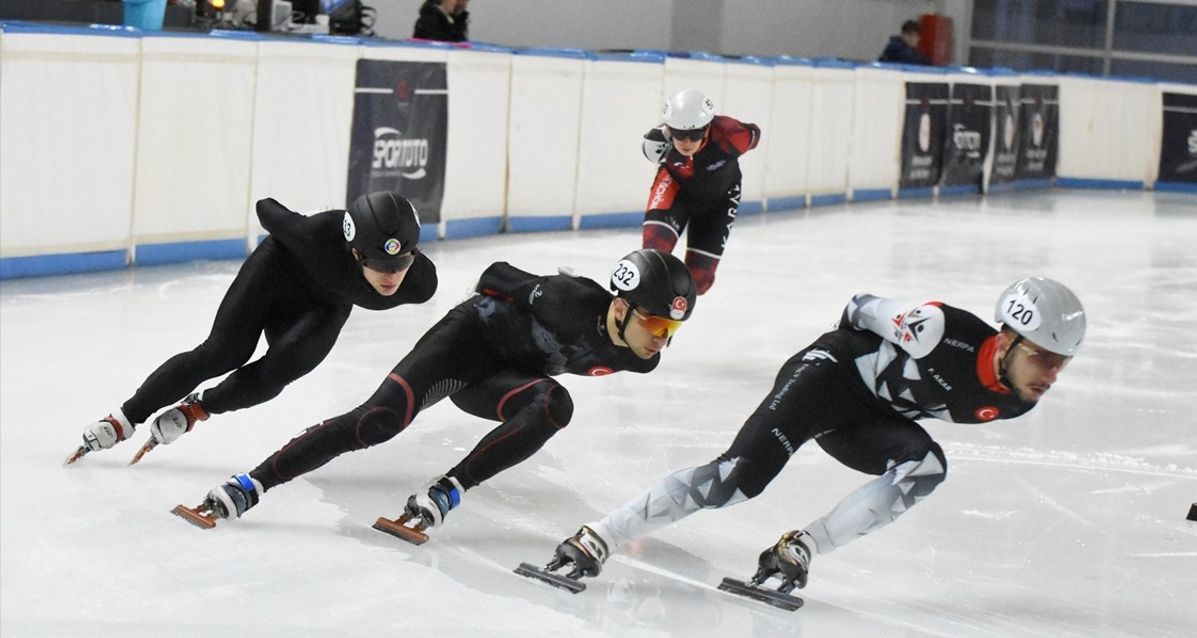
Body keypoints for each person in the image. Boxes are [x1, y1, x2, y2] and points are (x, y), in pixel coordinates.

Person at [539, 277, 1087, 600]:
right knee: (735, 481)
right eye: (1042, 356)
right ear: (1008, 340)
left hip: (864, 419)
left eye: (1060, 363)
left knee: (926, 466)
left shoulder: (1018, 399)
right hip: (828, 377)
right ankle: (599, 537)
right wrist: (830, 372)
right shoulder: (938, 330)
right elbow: (857, 309)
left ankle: (800, 548)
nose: (1050, 375)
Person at [174, 249, 698, 534]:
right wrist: (500, 307)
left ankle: (448, 490)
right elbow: (495, 274)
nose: (661, 341)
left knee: (555, 404)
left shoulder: (639, 357)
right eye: (656, 325)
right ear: (621, 307)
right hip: (467, 341)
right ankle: (251, 484)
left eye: (671, 330)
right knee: (377, 421)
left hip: (500, 381)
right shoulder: (566, 299)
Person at [68, 192, 438, 466]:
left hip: (325, 305)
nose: (392, 276)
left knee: (279, 371)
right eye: (380, 264)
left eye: (402, 262)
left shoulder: (419, 283)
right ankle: (124, 418)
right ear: (355, 252)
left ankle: (198, 409)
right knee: (223, 353)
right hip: (276, 273)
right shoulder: (314, 235)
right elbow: (266, 208)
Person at [639, 89, 761, 296]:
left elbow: (755, 133)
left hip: (720, 200)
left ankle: (669, 312)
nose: (687, 142)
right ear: (669, 129)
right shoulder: (657, 144)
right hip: (675, 189)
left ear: (707, 127)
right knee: (653, 257)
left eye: (695, 134)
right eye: (679, 133)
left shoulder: (730, 135)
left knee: (699, 281)